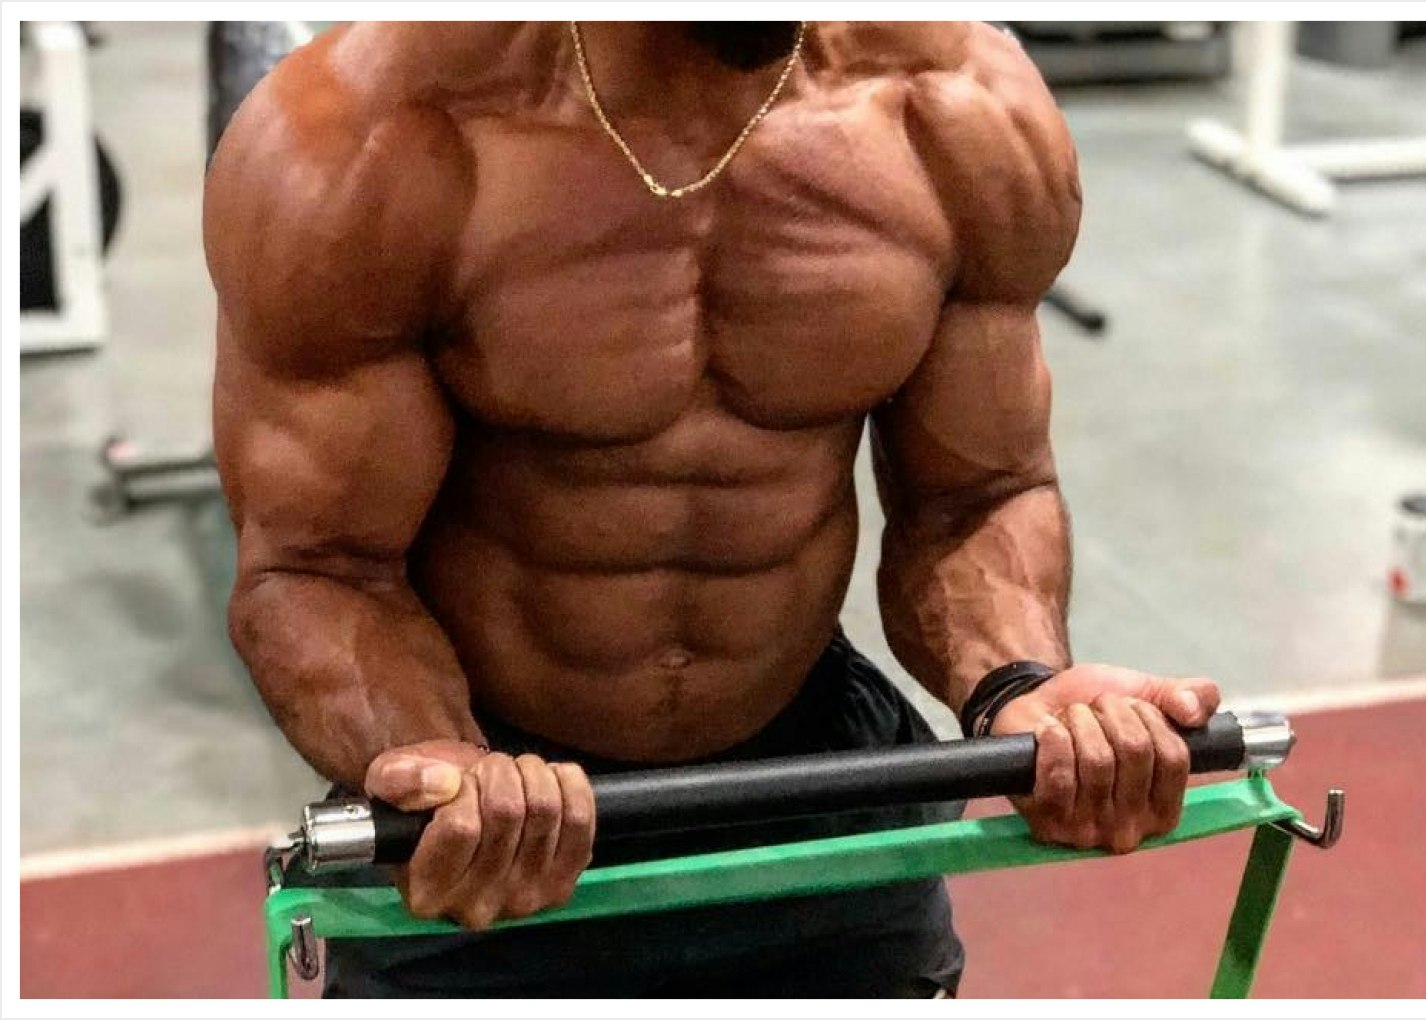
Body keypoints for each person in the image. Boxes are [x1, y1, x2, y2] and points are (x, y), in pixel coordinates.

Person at [206, 20, 1220, 998]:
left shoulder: (953, 112)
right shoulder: (370, 138)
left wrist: (1017, 684)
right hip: (499, 839)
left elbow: (975, 498)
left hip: (816, 799)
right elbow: (317, 568)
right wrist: (437, 764)